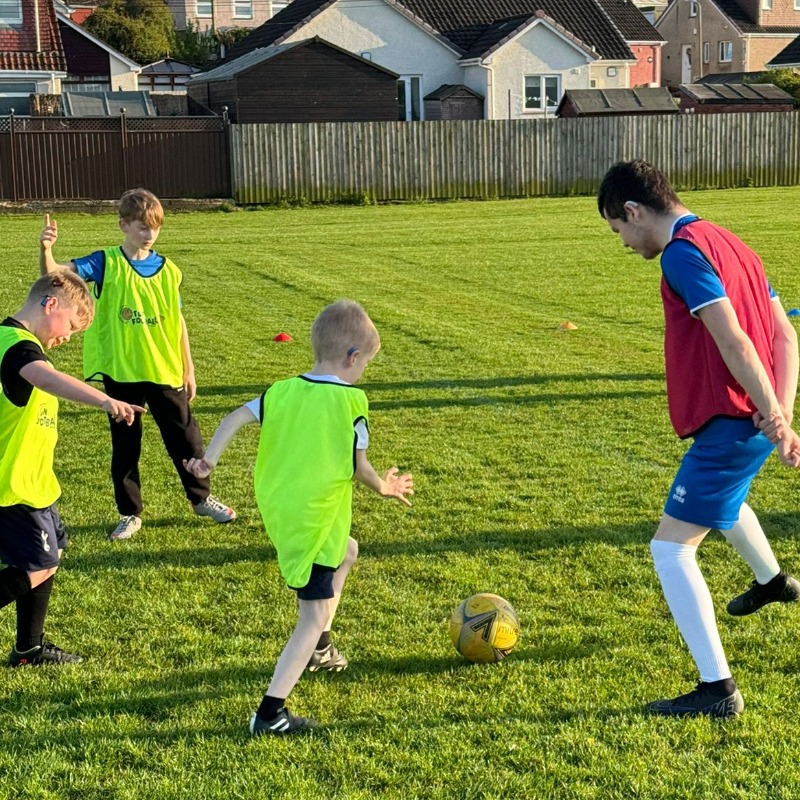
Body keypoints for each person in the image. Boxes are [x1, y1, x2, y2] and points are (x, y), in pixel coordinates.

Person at [598, 160, 800, 719]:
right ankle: (774, 581)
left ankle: (718, 690)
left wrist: (773, 418)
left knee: (670, 548)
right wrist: (779, 408)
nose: (623, 243)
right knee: (726, 507)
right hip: (752, 419)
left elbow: (734, 340)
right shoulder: (732, 242)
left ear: (634, 212)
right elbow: (785, 334)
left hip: (733, 423)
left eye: (619, 229)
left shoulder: (684, 254)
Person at [184, 300, 413, 736]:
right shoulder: (352, 399)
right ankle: (270, 714)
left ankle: (321, 647)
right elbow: (358, 466)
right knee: (310, 615)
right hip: (313, 518)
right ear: (352, 356)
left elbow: (235, 418)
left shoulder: (282, 389)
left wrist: (209, 460)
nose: (363, 370)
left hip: (283, 509)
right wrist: (385, 486)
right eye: (365, 362)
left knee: (348, 551)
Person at [39, 190, 235, 541]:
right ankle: (130, 513)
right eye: (142, 227)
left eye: (155, 227)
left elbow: (177, 322)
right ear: (123, 225)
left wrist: (188, 368)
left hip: (164, 370)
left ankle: (201, 498)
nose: (149, 234)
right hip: (123, 372)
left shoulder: (169, 270)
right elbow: (55, 277)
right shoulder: (105, 262)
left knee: (186, 440)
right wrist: (47, 250)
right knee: (126, 446)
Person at [0, 271, 144, 666]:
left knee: (48, 559)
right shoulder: (16, 348)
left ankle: (29, 648)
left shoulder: (17, 343)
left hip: (33, 482)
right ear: (50, 305)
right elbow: (44, 377)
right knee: (39, 564)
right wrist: (105, 401)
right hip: (11, 486)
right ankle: (28, 647)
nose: (68, 337)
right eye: (70, 326)